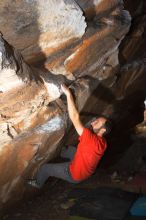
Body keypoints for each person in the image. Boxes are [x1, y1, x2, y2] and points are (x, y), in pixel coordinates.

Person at [27, 84, 112, 188]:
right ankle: (60, 155)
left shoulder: (91, 140)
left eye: (97, 122)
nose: (93, 122)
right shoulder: (103, 142)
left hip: (73, 174)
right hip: (86, 171)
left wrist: (68, 94)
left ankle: (38, 183)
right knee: (70, 150)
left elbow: (75, 117)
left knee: (45, 168)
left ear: (102, 129)